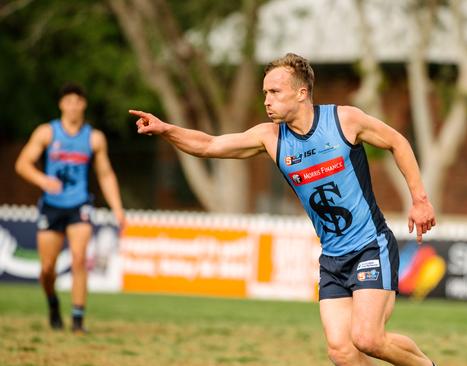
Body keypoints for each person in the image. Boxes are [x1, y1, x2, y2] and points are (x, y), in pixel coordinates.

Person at [130, 53, 437, 366]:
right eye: (265, 93)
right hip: (332, 258)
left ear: (301, 93)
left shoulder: (344, 120)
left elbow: (398, 142)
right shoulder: (270, 137)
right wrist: (167, 130)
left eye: (274, 92)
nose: (266, 100)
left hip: (370, 246)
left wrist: (419, 199)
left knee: (368, 339)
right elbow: (209, 145)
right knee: (342, 352)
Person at [15, 83, 125, 333]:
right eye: (68, 101)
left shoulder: (94, 138)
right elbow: (22, 164)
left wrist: (118, 208)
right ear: (61, 104)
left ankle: (77, 320)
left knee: (78, 259)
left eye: (78, 101)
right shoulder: (47, 133)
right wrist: (43, 180)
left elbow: (106, 175)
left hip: (80, 205)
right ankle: (53, 303)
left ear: (83, 104)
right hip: (52, 207)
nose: (73, 106)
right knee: (47, 268)